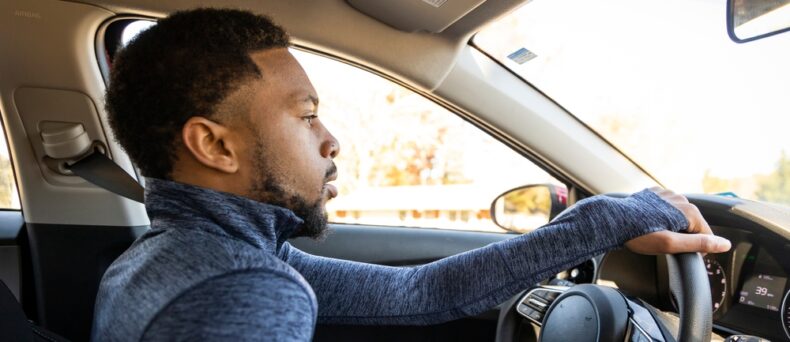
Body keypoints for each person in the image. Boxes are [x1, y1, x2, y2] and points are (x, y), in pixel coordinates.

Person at [91, 8, 731, 341]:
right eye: (307, 116)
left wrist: (605, 218)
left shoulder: (185, 254)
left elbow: (418, 294)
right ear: (214, 145)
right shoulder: (245, 289)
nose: (330, 139)